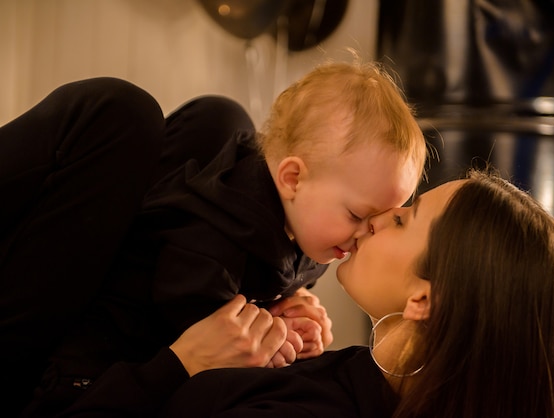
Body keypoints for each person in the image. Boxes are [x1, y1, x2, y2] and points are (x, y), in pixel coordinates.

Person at [0, 59, 426, 416]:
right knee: (212, 116)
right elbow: (195, 313)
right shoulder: (213, 242)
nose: (365, 233)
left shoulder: (311, 230)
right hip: (92, 349)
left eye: (389, 218)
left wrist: (283, 311)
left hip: (95, 364)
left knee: (211, 118)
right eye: (359, 215)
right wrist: (270, 331)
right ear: (292, 177)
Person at [56, 168, 554, 417]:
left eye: (403, 220)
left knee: (115, 117)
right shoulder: (354, 380)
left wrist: (181, 364)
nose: (379, 216)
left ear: (423, 300)